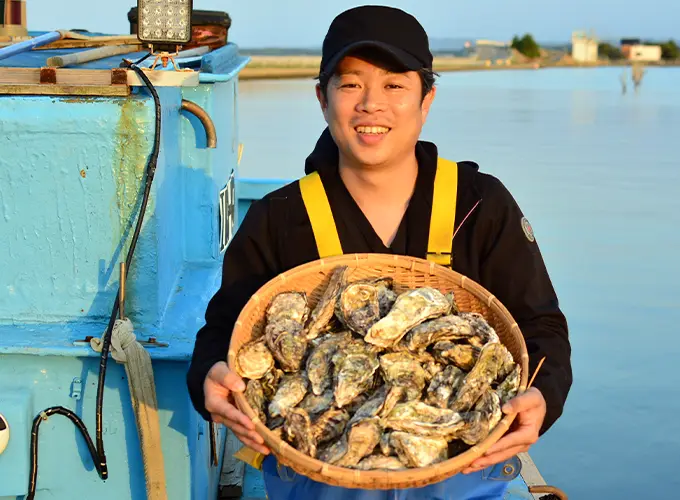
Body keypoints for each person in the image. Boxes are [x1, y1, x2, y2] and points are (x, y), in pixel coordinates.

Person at [186, 5, 572, 499]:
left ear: (426, 98)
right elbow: (223, 332)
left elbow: (541, 327)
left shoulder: (480, 204)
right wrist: (210, 376)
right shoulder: (278, 218)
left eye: (394, 85)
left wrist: (544, 397)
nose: (371, 104)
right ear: (323, 99)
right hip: (319, 472)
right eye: (350, 85)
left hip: (462, 477)